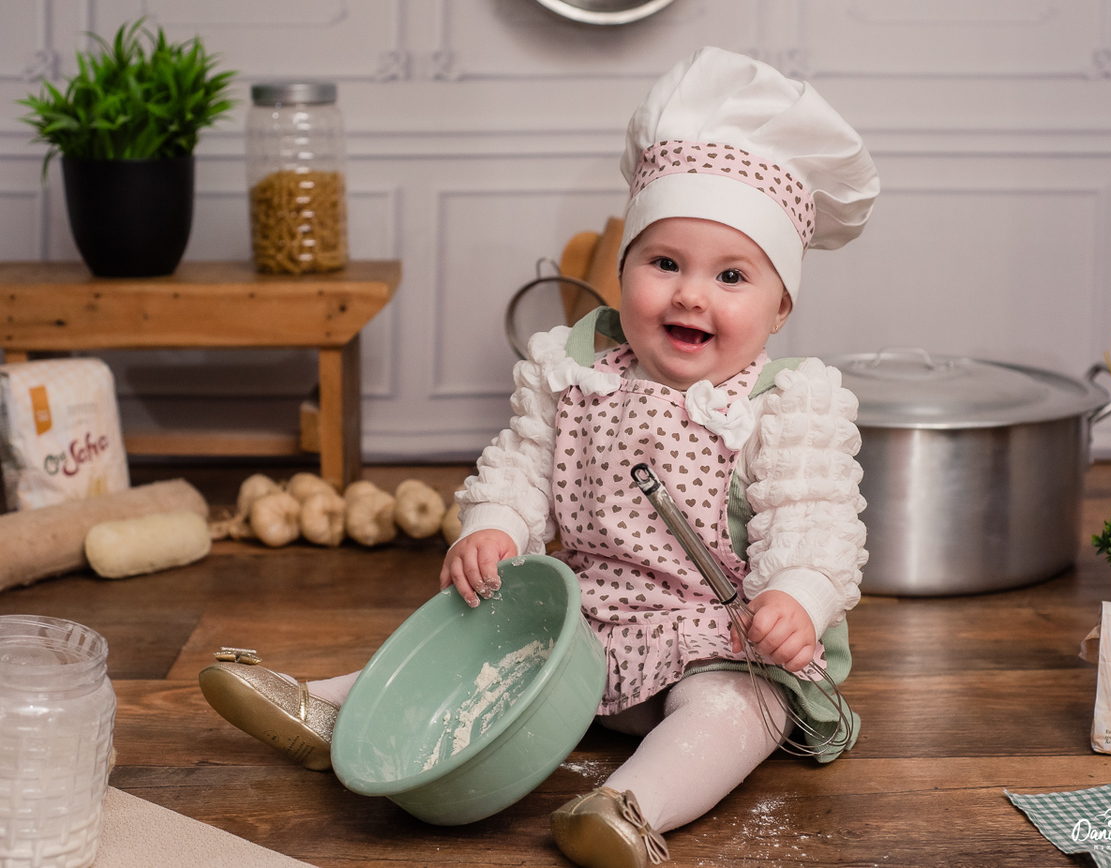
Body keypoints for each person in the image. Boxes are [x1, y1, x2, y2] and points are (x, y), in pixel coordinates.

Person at [199, 46, 877, 868]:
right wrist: (494, 526)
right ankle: (335, 708)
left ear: (779, 309)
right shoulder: (576, 367)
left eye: (731, 276)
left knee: (736, 708)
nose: (690, 293)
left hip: (719, 637)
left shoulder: (784, 404)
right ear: (623, 269)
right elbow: (522, 462)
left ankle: (631, 806)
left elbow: (814, 523)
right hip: (581, 627)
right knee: (475, 624)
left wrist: (795, 600)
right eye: (664, 263)